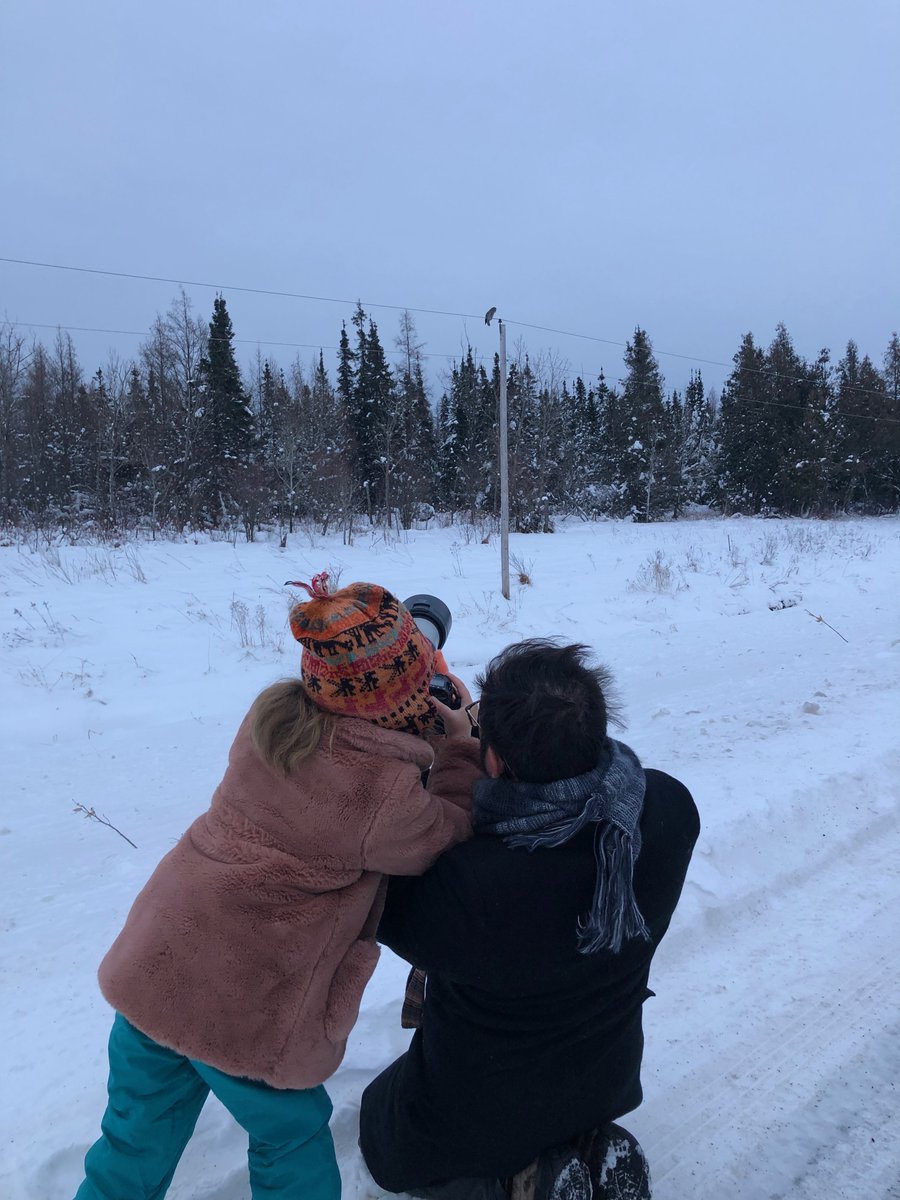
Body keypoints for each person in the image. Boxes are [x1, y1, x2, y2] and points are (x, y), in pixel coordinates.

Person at [73, 573, 481, 1200]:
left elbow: (345, 748)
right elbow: (446, 834)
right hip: (245, 1004)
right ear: (400, 697)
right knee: (289, 1138)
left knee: (134, 1135)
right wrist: (455, 749)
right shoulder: (383, 796)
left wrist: (402, 720)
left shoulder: (274, 722)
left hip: (158, 962)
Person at [359, 638, 700, 1200]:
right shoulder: (662, 809)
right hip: (605, 1078)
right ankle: (587, 1147)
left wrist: (447, 758)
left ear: (494, 761)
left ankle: (516, 1182)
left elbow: (392, 875)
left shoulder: (469, 889)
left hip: (480, 1113)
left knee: (381, 1126)